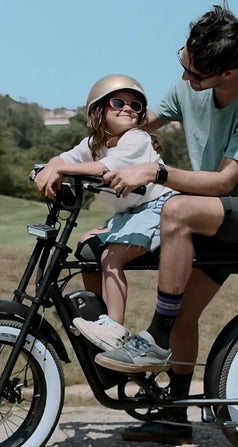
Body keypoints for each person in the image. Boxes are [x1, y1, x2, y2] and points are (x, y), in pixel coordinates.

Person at [71, 4, 238, 444]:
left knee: (176, 209)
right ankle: (176, 420)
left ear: (227, 71)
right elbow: (127, 127)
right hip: (217, 214)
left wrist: (156, 174)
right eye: (183, 62)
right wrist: (64, 162)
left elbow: (223, 182)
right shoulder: (190, 84)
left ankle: (154, 338)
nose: (185, 80)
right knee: (182, 310)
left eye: (196, 76)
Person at [34, 74, 174, 351]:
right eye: (119, 102)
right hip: (132, 212)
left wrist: (59, 170)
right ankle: (94, 316)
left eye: (136, 106)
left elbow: (106, 168)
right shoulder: (94, 143)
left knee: (112, 255)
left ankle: (113, 331)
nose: (128, 109)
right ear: (99, 110)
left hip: (160, 210)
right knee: (87, 247)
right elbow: (64, 158)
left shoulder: (137, 138)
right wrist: (47, 168)